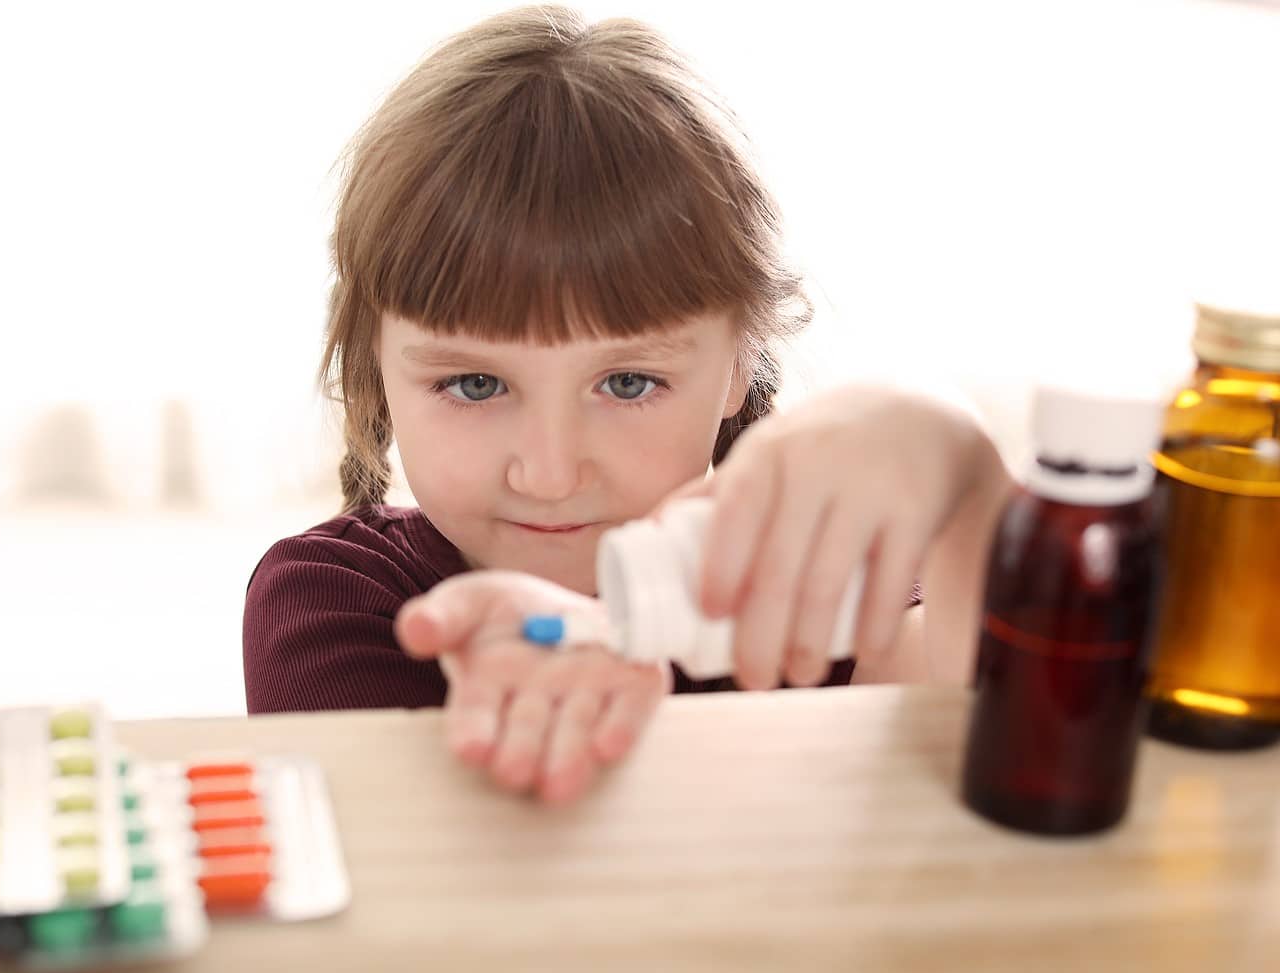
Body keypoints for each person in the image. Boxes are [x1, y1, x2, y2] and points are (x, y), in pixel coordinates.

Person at [243, 6, 1012, 804]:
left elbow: (1027, 743)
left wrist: (965, 476)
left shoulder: (825, 589)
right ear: (376, 366)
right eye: (475, 384)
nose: (548, 472)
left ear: (740, 359)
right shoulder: (330, 600)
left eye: (627, 383)